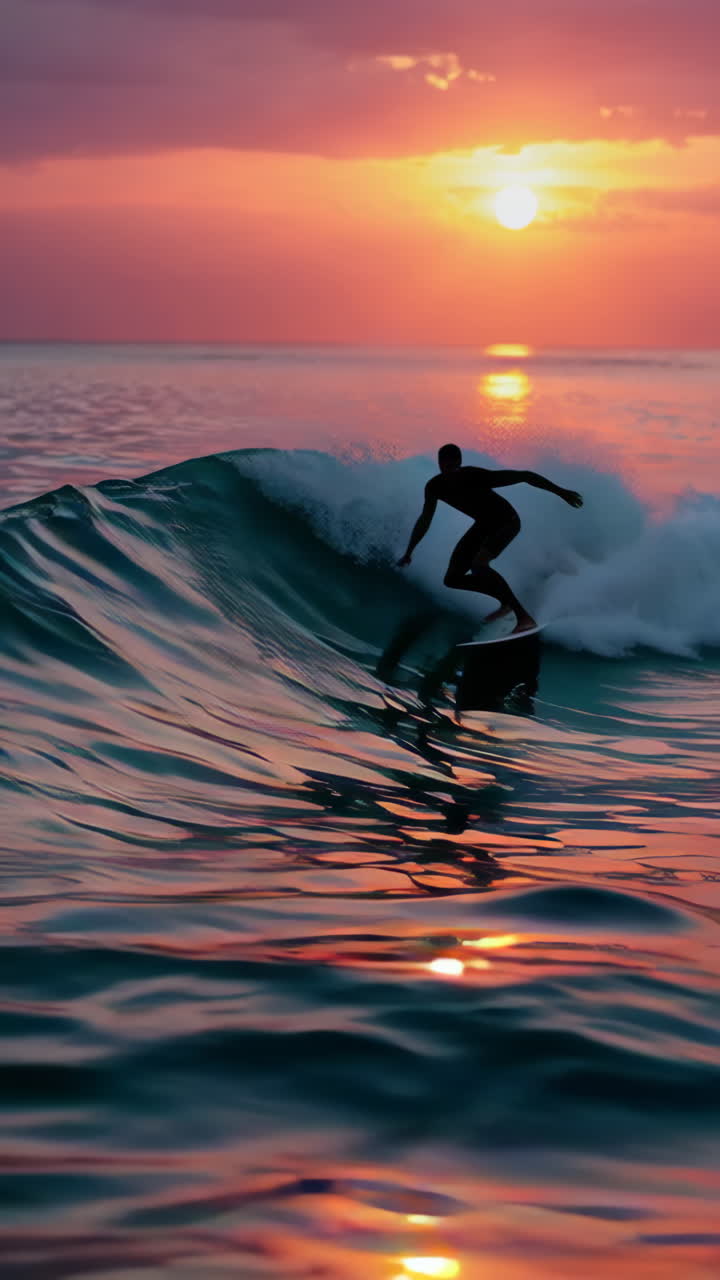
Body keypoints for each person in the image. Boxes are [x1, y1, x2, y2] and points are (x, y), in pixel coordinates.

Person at [398, 443, 583, 634]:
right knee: (452, 579)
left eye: (451, 466)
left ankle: (524, 618)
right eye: (444, 466)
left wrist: (561, 492)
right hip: (483, 525)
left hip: (507, 521)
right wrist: (409, 551)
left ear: (459, 464)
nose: (448, 471)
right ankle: (505, 602)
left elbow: (525, 476)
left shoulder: (475, 475)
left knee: (479, 565)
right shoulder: (434, 487)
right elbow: (425, 519)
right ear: (439, 464)